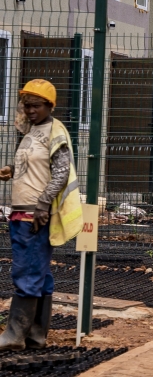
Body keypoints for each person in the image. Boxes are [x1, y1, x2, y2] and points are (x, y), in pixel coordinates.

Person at [0, 80, 82, 351]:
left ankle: (14, 336)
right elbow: (39, 166)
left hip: (34, 214)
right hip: (24, 211)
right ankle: (36, 335)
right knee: (39, 273)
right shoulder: (32, 131)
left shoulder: (53, 131)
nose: (30, 110)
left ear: (50, 106)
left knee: (27, 270)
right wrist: (12, 169)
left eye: (36, 105)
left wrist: (44, 204)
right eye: (26, 105)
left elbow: (60, 172)